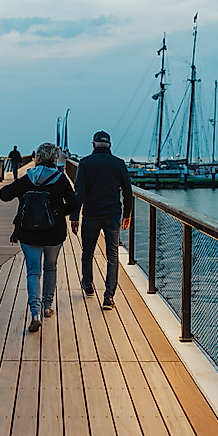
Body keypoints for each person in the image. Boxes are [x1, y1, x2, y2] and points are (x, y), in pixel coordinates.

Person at [0, 142, 79, 332]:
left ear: (38, 158)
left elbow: (4, 195)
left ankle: (35, 313)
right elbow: (74, 202)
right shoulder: (60, 179)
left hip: (29, 233)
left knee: (33, 272)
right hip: (54, 233)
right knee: (50, 268)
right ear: (54, 159)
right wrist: (58, 214)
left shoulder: (28, 177)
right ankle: (48, 306)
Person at [69, 130, 133, 311]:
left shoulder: (85, 163)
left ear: (93, 144)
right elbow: (128, 191)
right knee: (112, 255)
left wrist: (74, 216)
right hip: (113, 215)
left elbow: (79, 191)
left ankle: (88, 285)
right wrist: (127, 214)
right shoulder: (118, 163)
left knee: (87, 252)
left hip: (91, 215)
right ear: (110, 145)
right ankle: (109, 297)